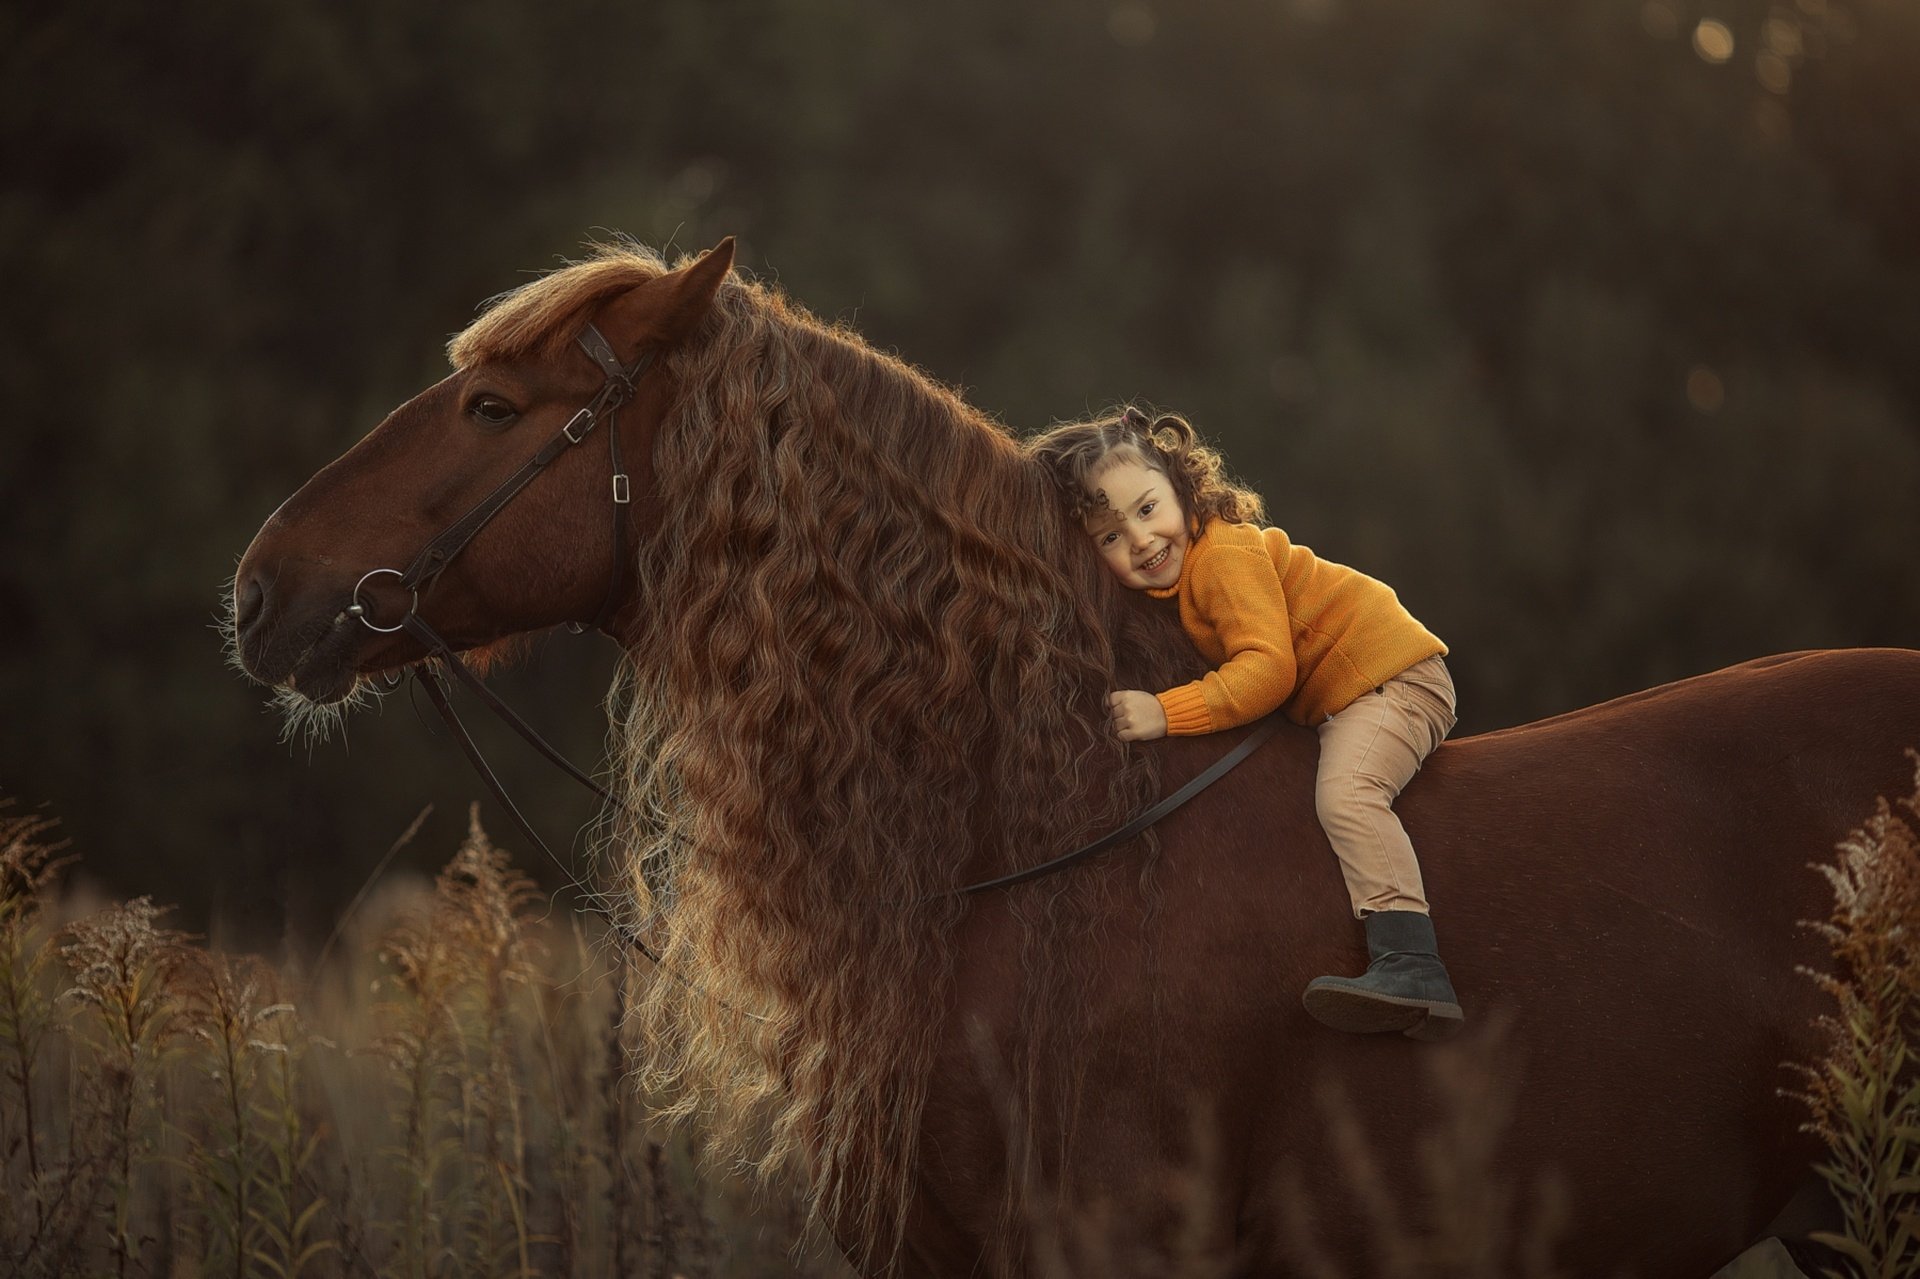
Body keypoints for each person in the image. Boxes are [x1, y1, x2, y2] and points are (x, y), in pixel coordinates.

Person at [1027, 406, 1464, 1041]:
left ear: (1182, 488)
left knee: (1348, 795)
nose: (1141, 541)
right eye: (1110, 537)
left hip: (1390, 678)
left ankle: (1412, 963)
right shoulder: (1175, 583)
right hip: (1345, 694)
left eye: (1147, 510)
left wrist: (1163, 712)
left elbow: (1267, 672)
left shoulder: (1222, 557)